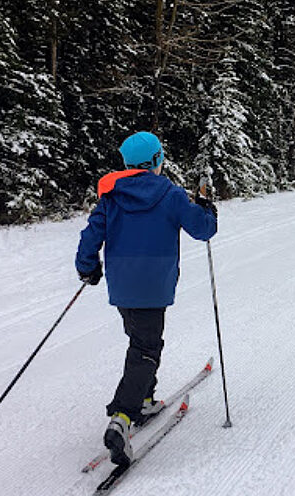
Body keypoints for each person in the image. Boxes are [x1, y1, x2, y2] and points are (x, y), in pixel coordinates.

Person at [75, 131, 217, 466]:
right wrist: (207, 208)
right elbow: (203, 229)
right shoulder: (170, 194)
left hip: (122, 286)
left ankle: (145, 398)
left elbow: (91, 235)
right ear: (156, 161)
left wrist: (87, 267)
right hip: (154, 286)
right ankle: (123, 417)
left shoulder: (111, 196)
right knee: (146, 348)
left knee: (141, 341)